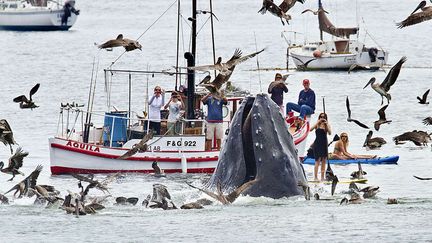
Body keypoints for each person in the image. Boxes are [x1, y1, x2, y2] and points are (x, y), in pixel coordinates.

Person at [310, 112, 332, 181]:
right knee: (317, 160)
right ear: (319, 117)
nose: (322, 118)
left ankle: (322, 177)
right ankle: (316, 177)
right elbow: (310, 129)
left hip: (324, 143)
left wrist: (327, 124)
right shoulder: (317, 124)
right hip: (317, 144)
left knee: (324, 160)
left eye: (324, 117)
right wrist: (318, 122)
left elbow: (330, 133)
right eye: (321, 117)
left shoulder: (326, 125)